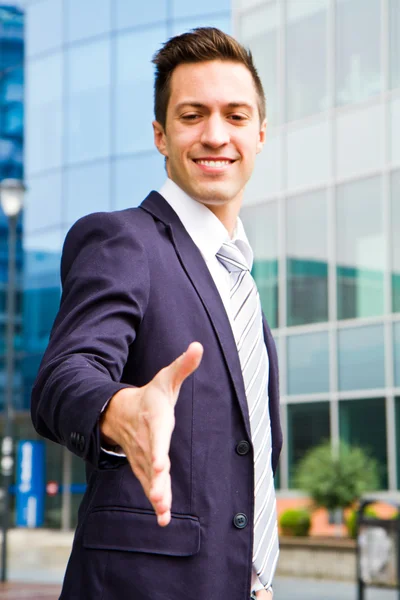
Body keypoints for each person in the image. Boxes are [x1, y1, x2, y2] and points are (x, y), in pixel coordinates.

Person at [31, 27, 282, 600]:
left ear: (260, 135)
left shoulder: (239, 279)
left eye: (236, 116)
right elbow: (65, 376)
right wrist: (121, 409)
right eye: (192, 115)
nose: (215, 134)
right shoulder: (124, 241)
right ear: (160, 135)